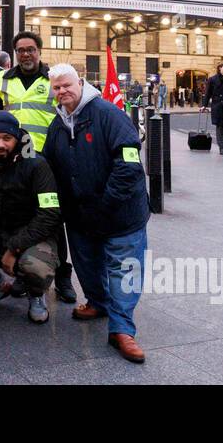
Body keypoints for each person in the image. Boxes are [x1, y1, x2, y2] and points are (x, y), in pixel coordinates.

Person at [42, 63, 151, 364]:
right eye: (57, 87)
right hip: (81, 217)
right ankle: (98, 303)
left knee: (123, 270)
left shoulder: (109, 115)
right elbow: (49, 166)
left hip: (120, 214)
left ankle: (122, 330)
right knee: (87, 266)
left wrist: (105, 204)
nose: (62, 91)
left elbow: (129, 165)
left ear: (81, 82)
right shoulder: (58, 125)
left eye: (67, 85)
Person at [0, 31, 77, 305]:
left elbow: (68, 114)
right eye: (20, 50)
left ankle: (62, 275)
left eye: (30, 49)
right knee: (20, 215)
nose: (26, 54)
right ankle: (22, 274)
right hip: (13, 161)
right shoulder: (2, 79)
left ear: (39, 50)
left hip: (48, 160)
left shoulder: (52, 79)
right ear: (15, 53)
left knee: (54, 217)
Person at [0, 111, 61, 324]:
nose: (0, 144)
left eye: (7, 138)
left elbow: (50, 213)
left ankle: (36, 293)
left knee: (35, 266)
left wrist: (14, 249)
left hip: (34, 235)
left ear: (16, 138)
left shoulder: (37, 164)